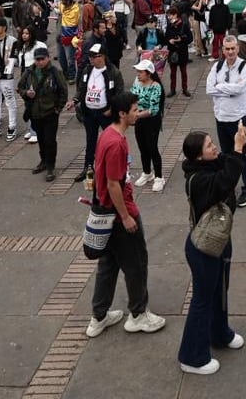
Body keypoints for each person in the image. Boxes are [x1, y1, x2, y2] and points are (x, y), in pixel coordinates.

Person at [85, 92, 167, 338]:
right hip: (119, 212)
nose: (137, 112)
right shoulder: (116, 143)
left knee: (108, 264)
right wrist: (126, 217)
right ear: (122, 113)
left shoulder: (108, 135)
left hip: (105, 210)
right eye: (134, 109)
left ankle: (99, 316)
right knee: (136, 263)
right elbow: (113, 184)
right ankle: (138, 314)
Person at [177, 127, 246, 375]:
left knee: (220, 290)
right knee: (202, 300)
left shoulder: (209, 165)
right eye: (209, 145)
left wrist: (240, 142)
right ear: (198, 156)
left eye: (211, 142)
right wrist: (237, 149)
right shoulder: (199, 181)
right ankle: (191, 356)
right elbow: (225, 182)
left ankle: (219, 333)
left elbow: (230, 163)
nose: (214, 147)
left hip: (219, 239)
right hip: (204, 247)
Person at [206, 37, 246, 205]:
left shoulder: (245, 66)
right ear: (223, 50)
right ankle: (229, 187)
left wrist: (220, 87)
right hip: (221, 118)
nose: (230, 52)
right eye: (227, 49)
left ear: (238, 48)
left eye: (233, 48)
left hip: (239, 118)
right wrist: (230, 90)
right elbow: (209, 88)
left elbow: (240, 89)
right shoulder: (217, 66)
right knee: (226, 155)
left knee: (243, 154)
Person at [72, 42, 124, 190]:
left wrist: (112, 109)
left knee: (111, 142)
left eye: (96, 56)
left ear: (103, 56)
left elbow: (119, 93)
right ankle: (88, 167)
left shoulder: (113, 72)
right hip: (89, 112)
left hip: (105, 113)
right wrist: (75, 100)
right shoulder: (87, 70)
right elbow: (82, 88)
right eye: (91, 56)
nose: (92, 59)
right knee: (90, 140)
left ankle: (113, 169)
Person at [18, 46, 67, 183]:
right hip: (35, 112)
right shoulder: (29, 72)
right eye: (37, 59)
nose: (39, 62)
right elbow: (20, 87)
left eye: (42, 59)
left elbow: (63, 91)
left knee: (50, 140)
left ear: (48, 58)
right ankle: (43, 161)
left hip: (50, 112)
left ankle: (51, 166)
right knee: (40, 138)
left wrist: (58, 108)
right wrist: (26, 93)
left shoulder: (55, 72)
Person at [130, 59, 165, 191]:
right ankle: (147, 172)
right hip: (139, 120)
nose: (138, 74)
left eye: (140, 72)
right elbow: (132, 98)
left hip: (151, 121)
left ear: (149, 73)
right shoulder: (137, 83)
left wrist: (137, 114)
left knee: (152, 148)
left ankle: (159, 177)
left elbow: (153, 109)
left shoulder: (155, 86)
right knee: (142, 147)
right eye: (137, 71)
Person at [164, 8, 193, 97]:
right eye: (168, 15)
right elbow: (166, 38)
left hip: (182, 51)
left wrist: (181, 39)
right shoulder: (169, 26)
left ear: (175, 15)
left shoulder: (184, 25)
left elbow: (190, 38)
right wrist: (169, 41)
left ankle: (185, 89)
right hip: (173, 51)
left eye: (170, 15)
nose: (169, 17)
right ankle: (172, 89)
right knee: (173, 73)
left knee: (183, 72)